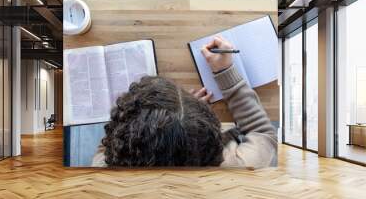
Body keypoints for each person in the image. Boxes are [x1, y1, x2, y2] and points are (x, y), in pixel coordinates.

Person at [92, 36, 277, 168]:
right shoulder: (237, 167)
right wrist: (226, 72)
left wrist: (186, 113)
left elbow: (109, 143)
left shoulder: (103, 166)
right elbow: (263, 133)